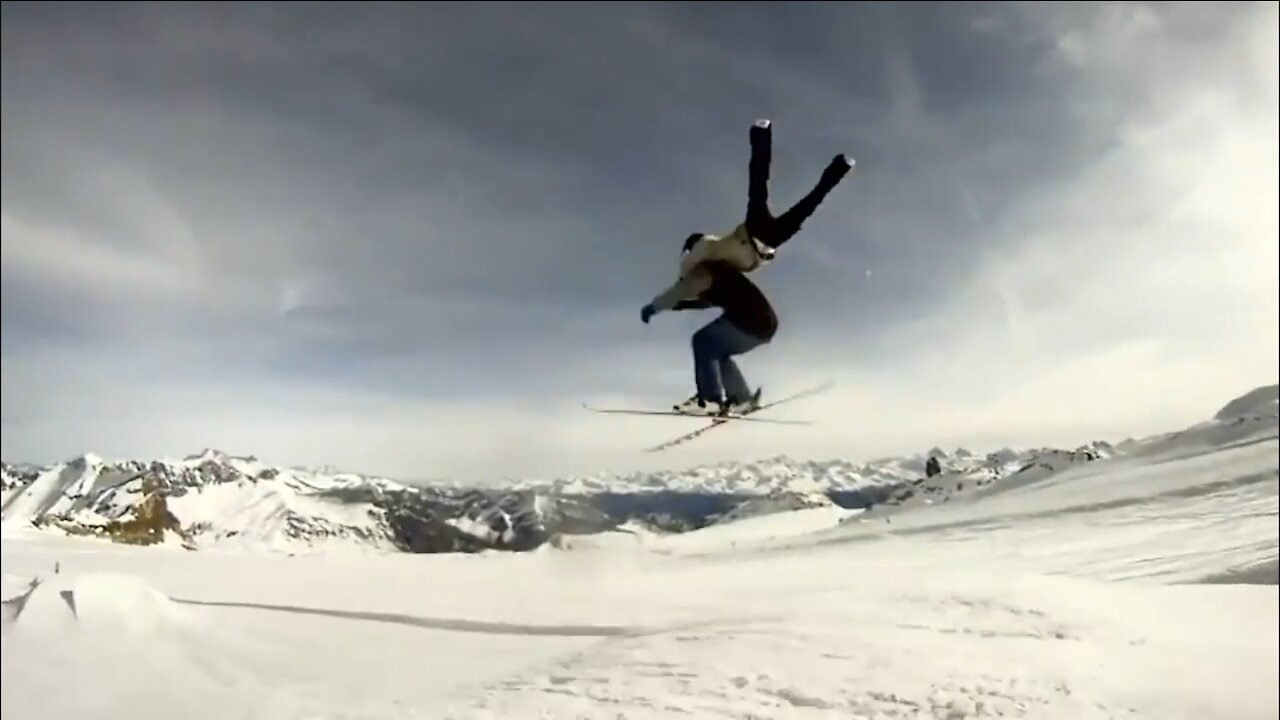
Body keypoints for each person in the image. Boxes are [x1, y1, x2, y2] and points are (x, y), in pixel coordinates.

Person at [640, 119, 854, 416]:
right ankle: (740, 398)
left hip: (757, 260)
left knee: (703, 341)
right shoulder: (721, 274)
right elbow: (698, 301)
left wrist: (655, 306)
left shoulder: (705, 268)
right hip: (764, 319)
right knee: (715, 349)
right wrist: (676, 307)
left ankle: (711, 399)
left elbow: (685, 290)